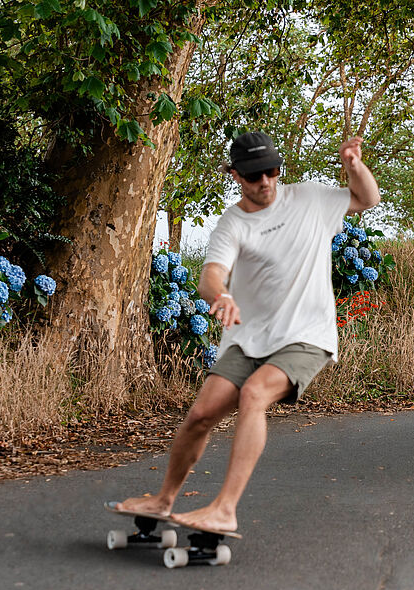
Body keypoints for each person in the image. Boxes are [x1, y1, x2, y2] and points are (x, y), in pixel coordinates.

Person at [113, 131, 380, 532]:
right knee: (201, 414)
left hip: (306, 336)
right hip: (250, 337)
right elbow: (211, 276)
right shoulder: (233, 223)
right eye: (255, 175)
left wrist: (355, 166)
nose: (266, 182)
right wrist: (220, 295)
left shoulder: (310, 200)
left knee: (255, 393)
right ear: (237, 175)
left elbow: (368, 199)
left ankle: (224, 508)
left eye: (272, 172)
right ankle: (163, 500)